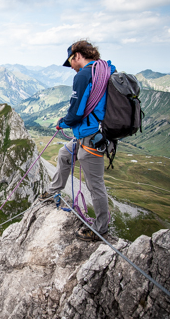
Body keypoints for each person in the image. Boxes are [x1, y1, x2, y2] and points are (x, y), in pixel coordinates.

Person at [40, 40, 115, 242]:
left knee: (95, 184)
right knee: (65, 154)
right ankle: (53, 192)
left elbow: (77, 111)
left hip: (92, 136)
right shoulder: (103, 69)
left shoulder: (83, 75)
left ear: (77, 55)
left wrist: (63, 122)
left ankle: (100, 229)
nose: (71, 67)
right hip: (91, 132)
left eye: (70, 62)